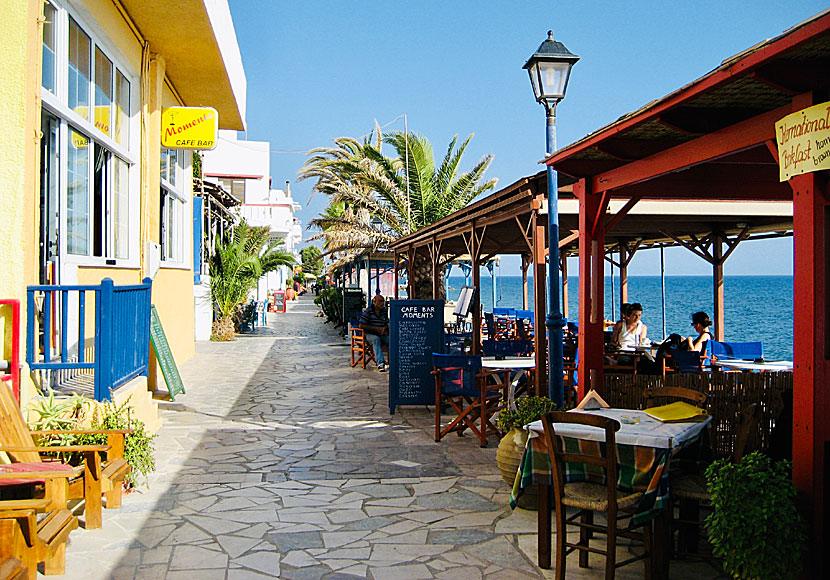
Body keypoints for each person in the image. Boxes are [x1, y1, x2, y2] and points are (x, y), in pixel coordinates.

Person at [360, 294, 389, 372]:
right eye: (380, 301)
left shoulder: (384, 311)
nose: (382, 303)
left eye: (383, 301)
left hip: (381, 334)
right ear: (374, 302)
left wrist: (384, 329)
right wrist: (376, 329)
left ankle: (394, 361)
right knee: (376, 339)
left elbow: (386, 322)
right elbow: (361, 325)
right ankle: (380, 363)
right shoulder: (368, 311)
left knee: (391, 340)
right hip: (369, 335)